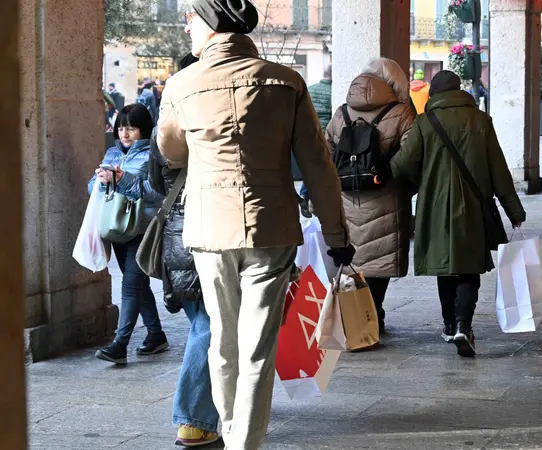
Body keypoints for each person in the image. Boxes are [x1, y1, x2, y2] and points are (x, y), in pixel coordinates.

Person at [157, 2, 352, 448]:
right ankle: (244, 442)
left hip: (209, 230)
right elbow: (318, 165)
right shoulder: (286, 81)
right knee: (257, 347)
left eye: (190, 20)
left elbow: (171, 152)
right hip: (272, 229)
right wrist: (337, 235)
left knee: (222, 340)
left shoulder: (182, 84)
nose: (187, 28)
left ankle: (229, 432)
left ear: (207, 25)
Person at [391, 71, 526, 358]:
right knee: (469, 267)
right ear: (459, 90)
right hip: (474, 208)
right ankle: (464, 324)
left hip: (435, 207)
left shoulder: (425, 122)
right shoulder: (481, 121)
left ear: (433, 95)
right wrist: (513, 209)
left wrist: (400, 176)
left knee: (445, 266)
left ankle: (450, 325)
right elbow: (498, 169)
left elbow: (402, 165)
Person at [148, 52, 220, 448]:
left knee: (204, 321)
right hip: (202, 231)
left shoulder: (168, 124)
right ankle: (193, 418)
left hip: (178, 232)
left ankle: (210, 408)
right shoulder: (207, 121)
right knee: (208, 324)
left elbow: (156, 180)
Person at [326, 58, 416, 334]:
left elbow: (327, 149)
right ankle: (373, 313)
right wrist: (397, 182)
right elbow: (412, 155)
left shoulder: (342, 112)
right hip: (385, 197)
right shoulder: (402, 112)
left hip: (348, 198)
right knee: (379, 258)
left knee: (355, 258)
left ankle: (357, 315)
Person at [90, 103, 168, 365]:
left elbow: (157, 191)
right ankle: (156, 334)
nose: (125, 133)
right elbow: (92, 187)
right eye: (121, 128)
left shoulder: (152, 155)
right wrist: (101, 181)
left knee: (130, 286)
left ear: (143, 130)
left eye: (132, 128)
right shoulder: (112, 153)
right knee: (137, 283)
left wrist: (122, 179)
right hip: (117, 227)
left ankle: (120, 344)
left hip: (142, 227)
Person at [298, 64, 333, 216]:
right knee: (324, 167)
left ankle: (305, 194)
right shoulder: (334, 91)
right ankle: (320, 200)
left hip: (309, 132)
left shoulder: (310, 89)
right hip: (326, 133)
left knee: (311, 166)